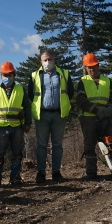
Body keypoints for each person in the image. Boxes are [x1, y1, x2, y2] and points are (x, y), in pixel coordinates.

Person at [76, 53, 112, 180]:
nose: (91, 69)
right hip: (88, 118)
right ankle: (91, 173)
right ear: (85, 68)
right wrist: (95, 110)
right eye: (89, 67)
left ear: (98, 65)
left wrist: (108, 109)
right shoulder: (83, 82)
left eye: (93, 66)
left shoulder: (107, 80)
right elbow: (80, 99)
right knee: (89, 146)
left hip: (105, 117)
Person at [27, 50, 74, 183]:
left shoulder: (63, 74)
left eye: (50, 59)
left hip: (59, 114)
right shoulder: (35, 75)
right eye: (45, 60)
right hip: (42, 115)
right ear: (41, 62)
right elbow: (30, 94)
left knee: (57, 145)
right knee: (41, 145)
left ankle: (56, 172)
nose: (48, 62)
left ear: (54, 61)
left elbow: (70, 92)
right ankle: (41, 173)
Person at [0, 61, 32, 188]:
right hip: (1, 127)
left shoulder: (21, 89)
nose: (7, 78)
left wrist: (28, 123)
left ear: (14, 75)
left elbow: (27, 108)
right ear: (1, 76)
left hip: (17, 127)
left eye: (9, 75)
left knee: (17, 153)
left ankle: (15, 177)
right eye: (4, 75)